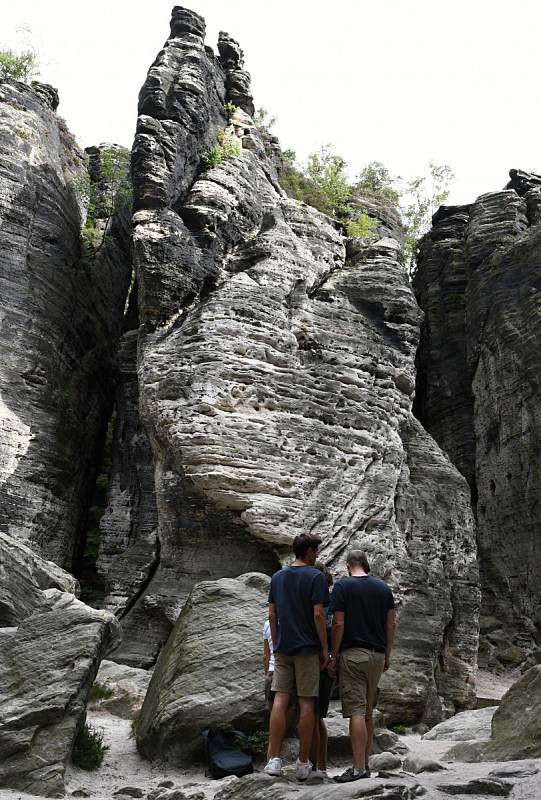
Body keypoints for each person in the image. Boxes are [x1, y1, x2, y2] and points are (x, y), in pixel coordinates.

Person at [264, 533, 330, 781]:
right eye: (316, 550)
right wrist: (325, 648)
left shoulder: (278, 577)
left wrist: (277, 639)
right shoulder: (316, 576)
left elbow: (272, 614)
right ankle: (303, 763)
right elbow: (318, 615)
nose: (317, 554)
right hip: (307, 648)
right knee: (306, 703)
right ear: (310, 551)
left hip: (283, 648)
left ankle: (274, 760)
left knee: (280, 699)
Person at [328, 549, 396, 783]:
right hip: (377, 656)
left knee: (356, 711)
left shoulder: (343, 587)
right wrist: (387, 655)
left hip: (353, 654)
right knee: (367, 712)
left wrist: (333, 655)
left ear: (348, 566)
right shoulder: (383, 588)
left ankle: (358, 769)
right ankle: (364, 764)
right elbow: (390, 625)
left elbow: (338, 623)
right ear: (366, 565)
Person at [309, 561, 335, 777]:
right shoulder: (334, 600)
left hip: (312, 660)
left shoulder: (314, 601)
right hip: (328, 663)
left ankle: (314, 765)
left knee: (310, 714)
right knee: (317, 716)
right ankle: (321, 766)